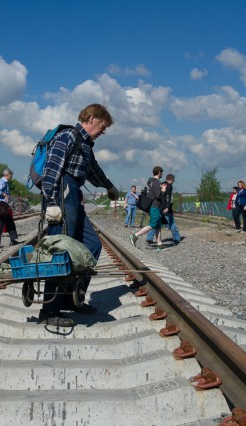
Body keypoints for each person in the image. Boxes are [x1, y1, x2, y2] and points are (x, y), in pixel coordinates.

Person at [41, 103, 119, 327]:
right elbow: (51, 172)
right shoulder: (67, 137)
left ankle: (71, 299)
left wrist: (109, 187)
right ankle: (49, 310)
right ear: (92, 118)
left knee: (92, 245)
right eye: (103, 126)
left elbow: (94, 171)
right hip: (63, 194)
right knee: (61, 250)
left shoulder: (85, 145)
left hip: (74, 194)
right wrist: (52, 204)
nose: (104, 131)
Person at [130, 166, 165, 251]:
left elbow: (151, 194)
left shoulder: (152, 182)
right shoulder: (156, 182)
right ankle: (135, 236)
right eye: (162, 172)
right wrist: (163, 190)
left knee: (158, 224)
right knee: (153, 224)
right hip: (155, 206)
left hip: (152, 206)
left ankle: (159, 244)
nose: (162, 174)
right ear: (159, 172)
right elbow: (158, 196)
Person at [0, 168, 20, 249]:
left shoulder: (5, 182)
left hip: (4, 205)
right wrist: (4, 194)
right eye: (11, 175)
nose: (11, 177)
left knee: (10, 222)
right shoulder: (2, 181)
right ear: (7, 175)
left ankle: (13, 239)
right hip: (1, 205)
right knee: (0, 224)